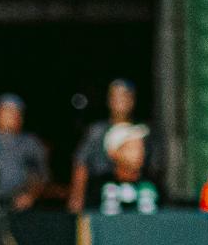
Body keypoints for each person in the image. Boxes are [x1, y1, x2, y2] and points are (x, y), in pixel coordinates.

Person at [68, 79, 163, 213]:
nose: (120, 101)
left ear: (132, 99)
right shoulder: (96, 132)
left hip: (137, 202)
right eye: (115, 96)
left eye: (124, 96)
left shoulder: (145, 132)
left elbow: (155, 169)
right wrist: (76, 200)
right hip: (100, 202)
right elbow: (81, 164)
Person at [0, 94, 49, 211]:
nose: (10, 115)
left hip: (18, 208)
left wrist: (30, 195)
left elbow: (40, 176)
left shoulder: (31, 143)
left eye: (15, 111)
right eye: (5, 110)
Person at [92, 124, 159, 216]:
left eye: (141, 147)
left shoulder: (152, 186)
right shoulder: (99, 188)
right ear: (114, 153)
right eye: (132, 148)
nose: (139, 152)